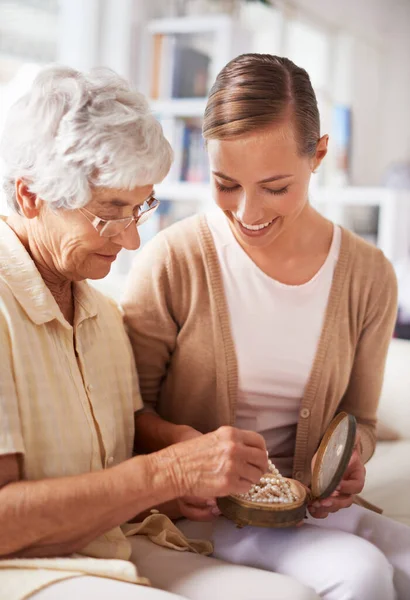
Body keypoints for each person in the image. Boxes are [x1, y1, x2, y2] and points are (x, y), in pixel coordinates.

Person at [0, 65, 320, 600]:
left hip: (107, 540)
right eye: (109, 214)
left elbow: (120, 429)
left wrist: (181, 449)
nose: (130, 241)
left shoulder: (97, 308)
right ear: (30, 196)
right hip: (23, 564)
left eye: (140, 207)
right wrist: (167, 474)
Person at [122, 54, 410, 600]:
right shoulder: (172, 261)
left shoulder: (369, 275)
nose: (247, 212)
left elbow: (362, 420)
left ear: (319, 153)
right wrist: (187, 452)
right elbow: (126, 415)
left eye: (275, 187)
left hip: (309, 508)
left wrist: (351, 458)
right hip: (208, 514)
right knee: (363, 573)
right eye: (226, 183)